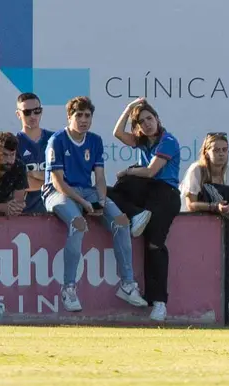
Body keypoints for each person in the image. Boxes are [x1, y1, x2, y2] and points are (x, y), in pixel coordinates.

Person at [43, 96, 146, 312]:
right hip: (57, 192)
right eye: (78, 115)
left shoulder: (95, 141)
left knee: (121, 220)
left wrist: (99, 200)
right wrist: (82, 203)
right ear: (69, 117)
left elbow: (99, 178)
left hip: (86, 191)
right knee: (78, 223)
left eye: (87, 116)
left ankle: (127, 285)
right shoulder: (57, 140)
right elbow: (58, 181)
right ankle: (69, 288)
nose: (83, 120)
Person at [109, 97, 182, 321]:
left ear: (158, 119)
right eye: (141, 121)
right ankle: (136, 214)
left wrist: (127, 171)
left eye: (150, 118)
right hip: (148, 192)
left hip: (166, 194)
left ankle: (159, 302)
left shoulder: (167, 140)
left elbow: (151, 172)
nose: (147, 124)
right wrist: (129, 108)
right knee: (107, 191)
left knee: (154, 245)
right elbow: (117, 134)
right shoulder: (142, 140)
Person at [182, 132, 229, 220]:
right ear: (206, 153)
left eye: (224, 150)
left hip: (221, 222)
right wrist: (215, 207)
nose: (221, 154)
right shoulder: (196, 170)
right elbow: (190, 204)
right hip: (190, 221)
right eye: (216, 150)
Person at [15, 93, 55, 214]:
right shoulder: (12, 143)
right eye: (27, 112)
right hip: (25, 215)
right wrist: (52, 180)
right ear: (18, 114)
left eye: (36, 111)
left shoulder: (55, 139)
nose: (33, 116)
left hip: (56, 213)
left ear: (41, 111)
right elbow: (19, 183)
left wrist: (34, 174)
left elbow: (66, 176)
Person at [0, 132, 28, 215]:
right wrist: (3, 207)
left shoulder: (19, 167)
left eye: (12, 155)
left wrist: (16, 207)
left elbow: (18, 202)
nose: (9, 160)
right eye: (4, 155)